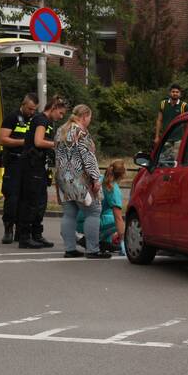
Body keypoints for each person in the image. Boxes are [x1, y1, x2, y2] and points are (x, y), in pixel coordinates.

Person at [55, 104, 110, 259]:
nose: (90, 121)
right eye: (90, 118)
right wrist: (95, 178)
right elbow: (88, 158)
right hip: (80, 179)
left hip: (63, 178)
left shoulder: (61, 131)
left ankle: (70, 248)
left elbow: (57, 154)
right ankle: (93, 249)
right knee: (93, 211)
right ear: (85, 116)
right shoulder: (81, 133)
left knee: (69, 213)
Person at [16, 96, 67, 249]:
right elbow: (38, 141)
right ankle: (25, 237)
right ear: (53, 108)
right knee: (31, 202)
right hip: (32, 166)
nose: (61, 116)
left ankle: (36, 234)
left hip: (39, 166)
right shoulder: (41, 120)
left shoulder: (45, 121)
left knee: (40, 202)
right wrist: (56, 144)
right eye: (61, 113)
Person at [0, 93, 37, 244]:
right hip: (14, 161)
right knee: (12, 197)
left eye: (34, 109)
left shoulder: (35, 119)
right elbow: (3, 139)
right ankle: (8, 229)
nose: (32, 112)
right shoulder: (12, 117)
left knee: (26, 198)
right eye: (30, 109)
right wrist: (24, 142)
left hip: (30, 163)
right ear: (23, 105)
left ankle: (21, 231)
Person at [77, 160, 126, 254]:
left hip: (80, 218)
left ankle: (105, 242)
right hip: (87, 222)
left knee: (108, 213)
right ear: (122, 176)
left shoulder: (99, 178)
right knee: (120, 222)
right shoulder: (113, 189)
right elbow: (118, 219)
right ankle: (93, 239)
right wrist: (123, 241)